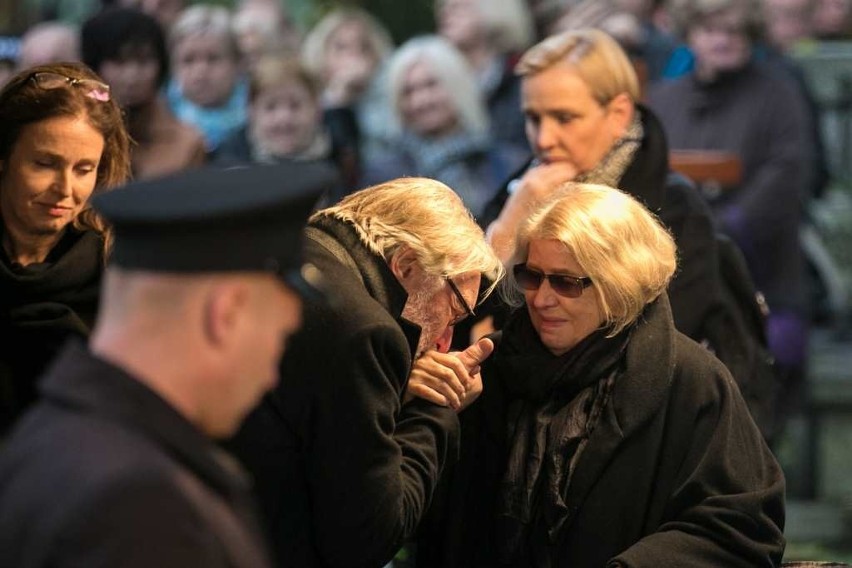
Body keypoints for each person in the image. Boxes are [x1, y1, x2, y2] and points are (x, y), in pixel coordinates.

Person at [414, 182, 786, 567]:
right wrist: (429, 411)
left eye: (565, 282)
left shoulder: (692, 381)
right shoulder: (485, 368)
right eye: (532, 276)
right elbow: (424, 516)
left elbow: (741, 527)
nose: (541, 299)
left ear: (618, 284)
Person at [0, 162, 334, 567]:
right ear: (226, 313)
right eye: (279, 339)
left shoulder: (53, 431)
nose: (271, 375)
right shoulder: (141, 504)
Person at [228, 177, 505, 568]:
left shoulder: (289, 247)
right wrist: (435, 407)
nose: (445, 343)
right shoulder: (367, 334)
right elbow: (368, 540)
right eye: (453, 311)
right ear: (407, 265)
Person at [483, 29, 722, 349]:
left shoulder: (676, 207)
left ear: (618, 115)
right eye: (533, 118)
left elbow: (660, 346)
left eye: (564, 118)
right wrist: (507, 228)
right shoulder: (523, 189)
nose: (543, 139)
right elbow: (467, 315)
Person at [648, 0, 813, 434]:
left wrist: (722, 227)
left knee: (754, 419)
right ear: (690, 34)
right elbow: (646, 174)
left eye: (734, 30)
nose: (722, 39)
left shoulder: (779, 95)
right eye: (710, 28)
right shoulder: (664, 101)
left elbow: (788, 173)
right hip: (678, 280)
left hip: (763, 279)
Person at [0, 61, 131, 433]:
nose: (65, 189)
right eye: (44, 164)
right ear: (3, 159)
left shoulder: (115, 269)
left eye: (84, 169)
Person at [362, 35, 527, 219]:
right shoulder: (385, 176)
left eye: (431, 85)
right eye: (408, 92)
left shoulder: (507, 162)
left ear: (457, 86)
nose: (421, 101)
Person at [82, 6, 206, 180]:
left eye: (143, 61)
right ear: (95, 67)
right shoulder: (71, 138)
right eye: (119, 62)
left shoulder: (187, 144)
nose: (132, 75)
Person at [214, 55, 357, 200]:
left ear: (317, 110)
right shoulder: (231, 164)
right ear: (251, 112)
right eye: (271, 107)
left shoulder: (342, 158)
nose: (284, 118)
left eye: (295, 105)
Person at [436, 0, 535, 152]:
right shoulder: (434, 87)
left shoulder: (524, 74)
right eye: (444, 8)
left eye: (458, 6)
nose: (446, 14)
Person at [301, 6, 395, 166]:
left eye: (364, 47)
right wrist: (337, 99)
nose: (354, 54)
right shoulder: (307, 100)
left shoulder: (393, 96)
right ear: (321, 54)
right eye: (341, 47)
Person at [167, 4, 248, 154]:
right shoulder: (161, 120)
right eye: (188, 60)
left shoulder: (260, 115)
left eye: (213, 58)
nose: (200, 72)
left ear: (238, 63)